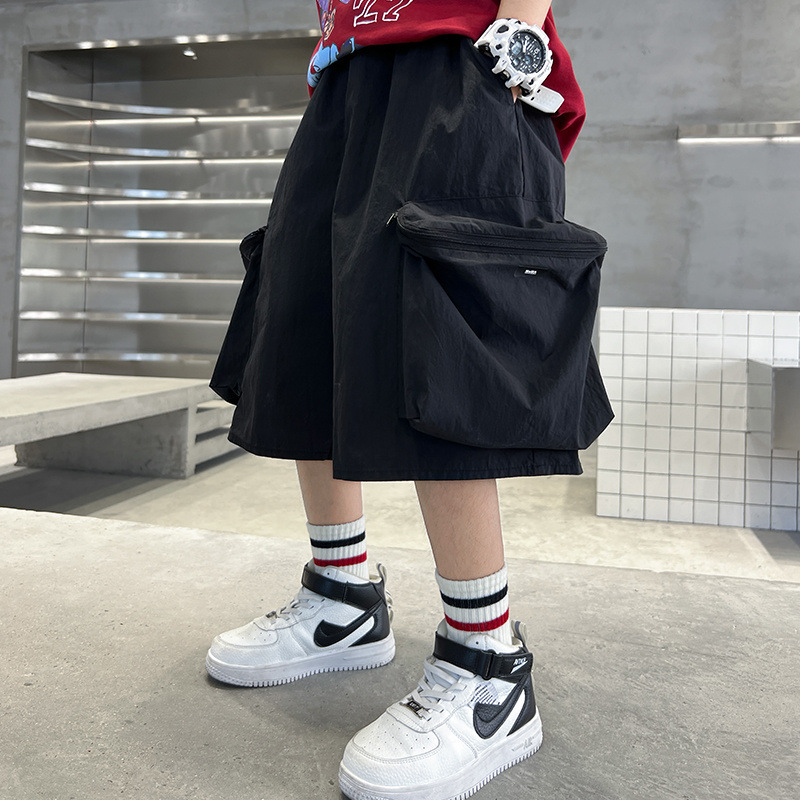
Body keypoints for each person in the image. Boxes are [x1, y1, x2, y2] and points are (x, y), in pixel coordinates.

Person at [206, 1, 612, 798]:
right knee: (308, 318)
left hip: (460, 56)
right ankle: (342, 598)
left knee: (440, 330)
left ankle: (488, 663)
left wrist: (516, 33)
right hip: (350, 72)